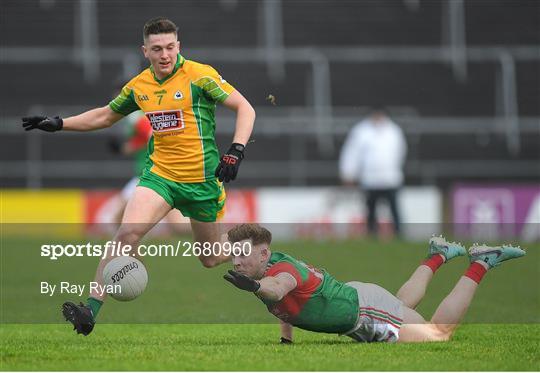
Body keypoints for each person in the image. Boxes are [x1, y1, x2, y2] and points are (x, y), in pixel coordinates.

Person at [21, 17, 256, 335]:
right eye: (157, 48)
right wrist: (60, 123)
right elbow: (105, 115)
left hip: (201, 181)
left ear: (178, 46)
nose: (165, 55)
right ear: (145, 51)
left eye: (170, 47)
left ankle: (245, 244)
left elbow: (245, 108)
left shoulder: (200, 76)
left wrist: (236, 151)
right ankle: (89, 309)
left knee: (211, 258)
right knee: (126, 234)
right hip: (160, 176)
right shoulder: (139, 86)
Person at [223, 224, 525, 343]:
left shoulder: (279, 274)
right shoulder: (263, 268)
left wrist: (255, 289)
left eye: (241, 254)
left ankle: (482, 262)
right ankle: (438, 255)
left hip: (365, 312)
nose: (235, 261)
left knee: (437, 334)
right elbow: (283, 303)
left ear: (263, 253)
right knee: (403, 306)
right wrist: (286, 340)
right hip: (360, 299)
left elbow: (278, 290)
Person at [339, 110, 407, 236]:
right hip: (370, 179)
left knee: (394, 208)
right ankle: (372, 233)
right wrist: (348, 173)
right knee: (371, 209)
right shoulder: (361, 131)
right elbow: (352, 153)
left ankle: (398, 232)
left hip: (390, 178)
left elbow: (400, 152)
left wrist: (395, 169)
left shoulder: (393, 131)